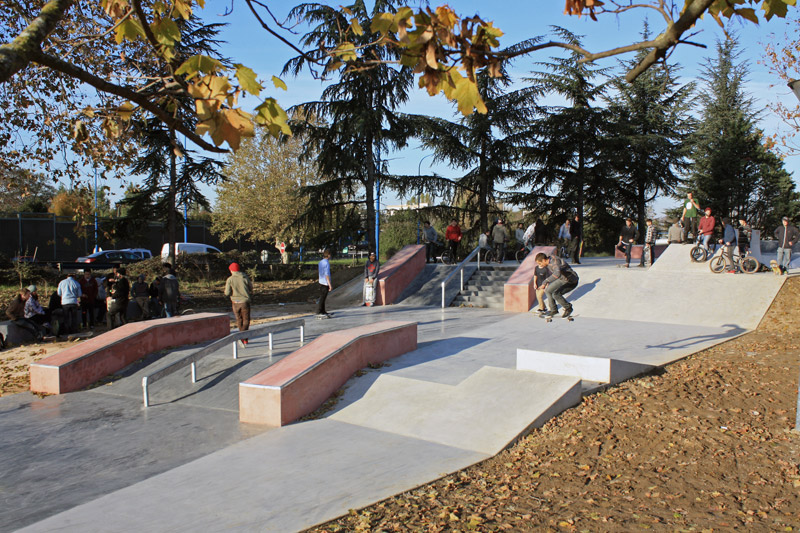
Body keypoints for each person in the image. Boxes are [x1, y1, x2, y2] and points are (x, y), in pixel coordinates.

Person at [535, 252, 579, 318]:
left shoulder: (555, 264)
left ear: (544, 260)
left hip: (571, 281)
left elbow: (557, 274)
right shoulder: (549, 258)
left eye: (540, 263)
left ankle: (568, 308)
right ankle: (554, 310)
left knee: (556, 294)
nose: (540, 265)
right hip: (562, 279)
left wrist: (546, 281)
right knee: (548, 290)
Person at [224, 262, 253, 347]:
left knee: (239, 320)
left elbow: (227, 292)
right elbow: (251, 288)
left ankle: (242, 338)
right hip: (244, 302)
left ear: (231, 270)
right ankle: (243, 338)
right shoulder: (245, 277)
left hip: (235, 303)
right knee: (246, 320)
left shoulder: (230, 279)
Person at [316, 248, 333, 318]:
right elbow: (327, 274)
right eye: (330, 255)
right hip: (325, 283)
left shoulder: (320, 262)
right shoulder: (327, 263)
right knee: (323, 298)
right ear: (328, 255)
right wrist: (330, 285)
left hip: (321, 281)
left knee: (323, 297)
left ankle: (323, 310)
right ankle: (319, 311)